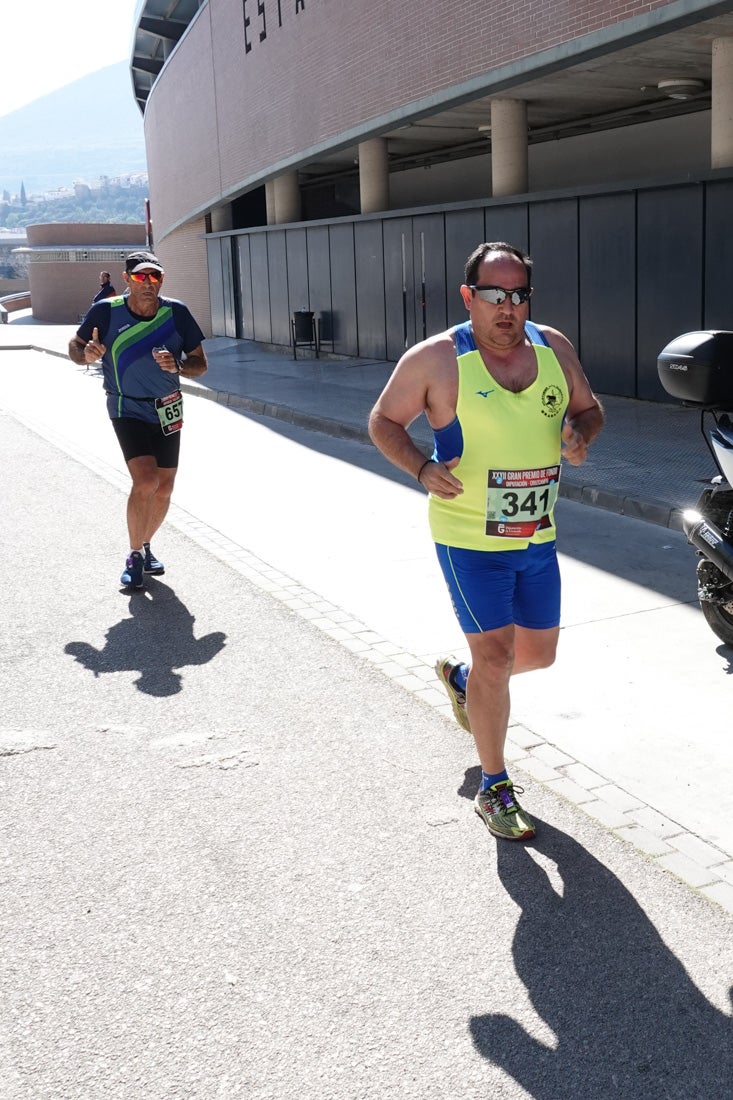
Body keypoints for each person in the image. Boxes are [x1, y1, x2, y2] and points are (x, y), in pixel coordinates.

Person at [368, 242, 604, 842]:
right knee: (497, 656)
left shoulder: (553, 348)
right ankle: (493, 787)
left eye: (519, 294)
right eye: (494, 295)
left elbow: (590, 409)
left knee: (537, 656)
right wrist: (421, 469)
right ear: (468, 296)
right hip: (468, 537)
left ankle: (466, 686)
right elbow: (383, 421)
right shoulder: (438, 360)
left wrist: (579, 434)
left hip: (538, 535)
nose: (508, 308)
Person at [68, 250, 208, 590]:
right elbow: (75, 345)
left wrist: (177, 367)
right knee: (146, 481)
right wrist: (84, 354)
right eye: (141, 277)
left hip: (167, 407)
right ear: (128, 278)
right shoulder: (107, 311)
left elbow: (200, 363)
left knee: (165, 488)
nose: (149, 283)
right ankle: (133, 555)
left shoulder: (177, 313)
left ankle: (145, 545)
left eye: (155, 277)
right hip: (125, 406)